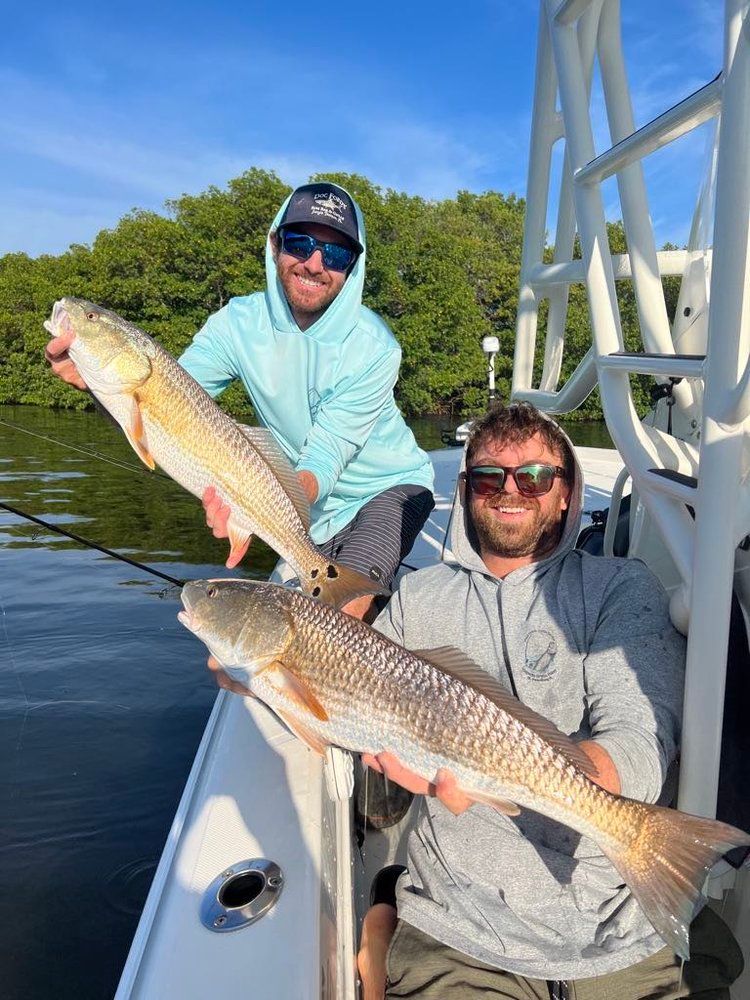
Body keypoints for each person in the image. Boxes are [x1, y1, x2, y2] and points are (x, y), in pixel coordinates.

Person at [357, 402, 743, 999]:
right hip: (461, 925)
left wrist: (561, 781)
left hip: (620, 922)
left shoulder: (620, 585)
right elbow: (346, 691)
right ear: (465, 490)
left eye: (535, 476)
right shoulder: (415, 596)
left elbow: (641, 734)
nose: (511, 490)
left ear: (566, 494)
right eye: (490, 477)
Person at [44, 181, 435, 621]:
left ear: (353, 266)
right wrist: (95, 386)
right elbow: (174, 403)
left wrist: (259, 500)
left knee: (343, 618)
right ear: (274, 244)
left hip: (389, 487)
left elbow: (327, 456)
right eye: (300, 242)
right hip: (308, 510)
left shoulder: (377, 347)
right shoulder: (235, 324)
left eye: (337, 253)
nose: (315, 263)